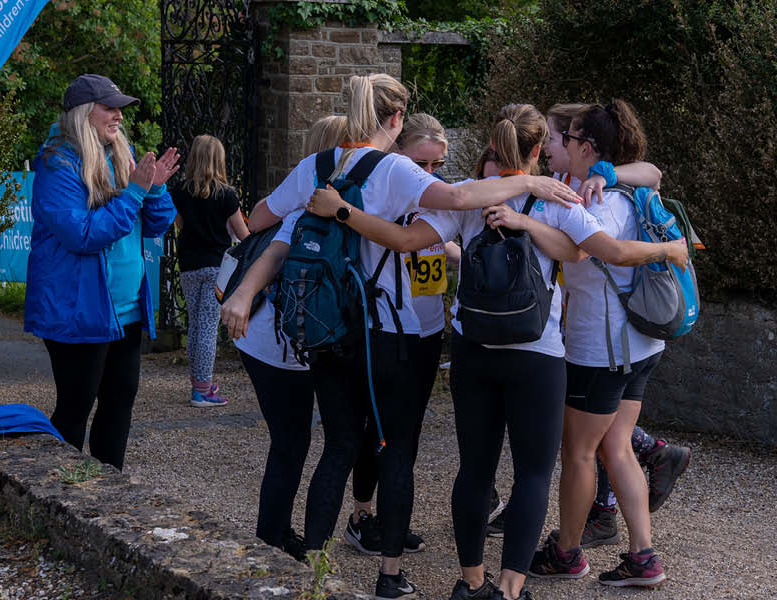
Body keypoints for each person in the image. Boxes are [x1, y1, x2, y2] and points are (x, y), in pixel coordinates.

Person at [305, 103, 686, 600]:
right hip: (537, 353)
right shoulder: (557, 199)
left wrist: (343, 210)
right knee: (531, 472)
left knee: (475, 469)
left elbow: (401, 240)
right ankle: (509, 590)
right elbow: (587, 251)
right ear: (535, 151)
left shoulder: (467, 199)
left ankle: (470, 583)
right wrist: (669, 248)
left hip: (473, 351)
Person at [221, 74, 582, 600]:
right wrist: (527, 183)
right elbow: (456, 197)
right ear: (396, 120)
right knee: (397, 450)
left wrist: (316, 213)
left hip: (330, 326)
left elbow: (255, 221)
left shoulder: (315, 166)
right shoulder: (392, 169)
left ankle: (313, 569)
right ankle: (389, 575)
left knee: (338, 446)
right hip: (392, 330)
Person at [527, 101, 675, 587]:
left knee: (579, 452)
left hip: (600, 351)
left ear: (586, 148)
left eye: (567, 139)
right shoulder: (626, 188)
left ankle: (567, 553)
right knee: (617, 447)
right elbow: (652, 170)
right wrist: (605, 173)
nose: (560, 145)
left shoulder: (584, 201)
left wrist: (667, 249)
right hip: (642, 345)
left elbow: (607, 252)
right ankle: (643, 557)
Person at [24, 74, 178, 470]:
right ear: (83, 112)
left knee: (119, 403)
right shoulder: (57, 161)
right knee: (75, 408)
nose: (118, 117)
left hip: (124, 310)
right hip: (78, 310)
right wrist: (135, 193)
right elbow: (81, 235)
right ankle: (58, 494)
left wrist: (156, 188)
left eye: (120, 109)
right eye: (109, 108)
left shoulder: (117, 153)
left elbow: (157, 224)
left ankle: (109, 492)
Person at [234, 115, 346, 563]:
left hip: (281, 340)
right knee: (291, 440)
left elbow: (258, 215)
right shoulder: (304, 211)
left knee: (292, 440)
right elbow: (276, 251)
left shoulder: (297, 202)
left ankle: (276, 531)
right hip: (275, 341)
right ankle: (271, 537)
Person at [345, 113, 454, 557]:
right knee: (379, 428)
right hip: (383, 324)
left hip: (427, 325)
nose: (427, 175)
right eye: (420, 163)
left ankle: (393, 517)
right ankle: (362, 514)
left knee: (408, 428)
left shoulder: (438, 196)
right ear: (398, 155)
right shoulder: (382, 187)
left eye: (436, 166)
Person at [171, 134, 249, 407]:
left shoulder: (180, 191)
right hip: (217, 267)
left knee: (196, 325)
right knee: (207, 328)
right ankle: (202, 390)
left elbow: (180, 225)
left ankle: (199, 380)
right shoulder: (226, 195)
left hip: (189, 264)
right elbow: (243, 234)